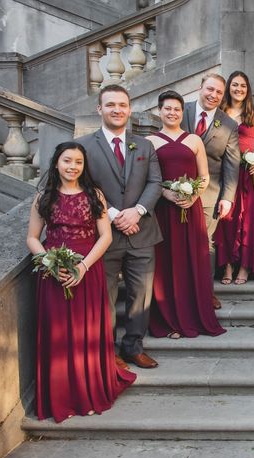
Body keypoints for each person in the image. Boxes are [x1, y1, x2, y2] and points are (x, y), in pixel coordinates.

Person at [27, 142, 136, 422]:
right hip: (53, 274)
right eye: (67, 161)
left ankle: (88, 393)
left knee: (86, 334)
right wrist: (50, 265)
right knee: (59, 335)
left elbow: (106, 237)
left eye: (78, 162)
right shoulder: (43, 196)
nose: (72, 166)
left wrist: (83, 267)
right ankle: (61, 397)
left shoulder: (93, 194)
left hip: (87, 272)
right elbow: (32, 238)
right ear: (56, 163)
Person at [76, 84, 162, 369]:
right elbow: (81, 186)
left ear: (129, 109)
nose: (117, 110)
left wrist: (136, 212)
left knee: (141, 294)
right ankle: (108, 350)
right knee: (106, 296)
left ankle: (133, 347)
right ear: (100, 109)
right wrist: (113, 214)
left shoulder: (145, 144)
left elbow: (155, 182)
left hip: (142, 231)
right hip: (104, 235)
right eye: (111, 104)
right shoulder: (84, 146)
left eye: (122, 105)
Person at [147, 91, 226, 339]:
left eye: (177, 109)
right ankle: (169, 319)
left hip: (189, 210)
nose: (172, 113)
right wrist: (165, 194)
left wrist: (192, 196)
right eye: (167, 108)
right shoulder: (149, 141)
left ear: (183, 112)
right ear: (159, 111)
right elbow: (148, 179)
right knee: (166, 262)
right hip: (163, 211)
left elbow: (204, 176)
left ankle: (193, 314)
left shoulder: (194, 140)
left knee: (192, 259)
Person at [181, 73, 240, 310]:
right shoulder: (179, 111)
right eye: (210, 89)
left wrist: (227, 198)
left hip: (210, 193)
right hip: (175, 192)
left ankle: (206, 292)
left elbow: (232, 164)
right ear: (200, 87)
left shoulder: (228, 124)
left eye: (218, 92)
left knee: (205, 244)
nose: (213, 95)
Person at [214, 71, 254, 284]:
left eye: (243, 86)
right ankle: (227, 265)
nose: (239, 89)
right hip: (224, 173)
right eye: (235, 85)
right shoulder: (220, 112)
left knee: (248, 221)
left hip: (249, 174)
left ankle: (245, 267)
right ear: (229, 87)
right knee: (226, 220)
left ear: (248, 90)